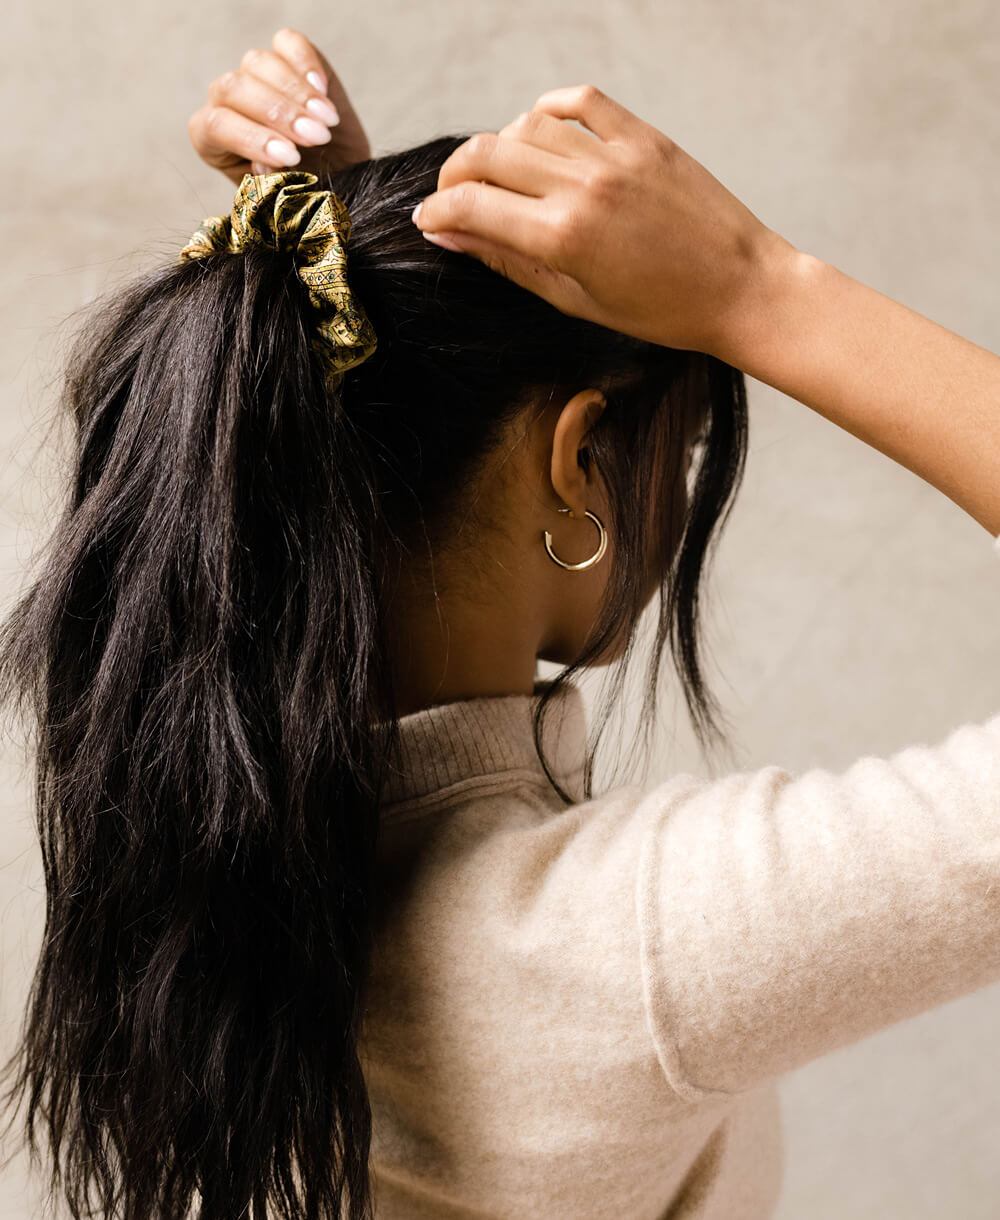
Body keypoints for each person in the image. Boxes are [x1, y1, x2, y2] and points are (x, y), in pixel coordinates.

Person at [2, 25, 998, 1220]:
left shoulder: (209, 877)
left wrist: (362, 276)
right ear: (577, 459)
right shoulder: (628, 947)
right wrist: (758, 290)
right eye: (673, 451)